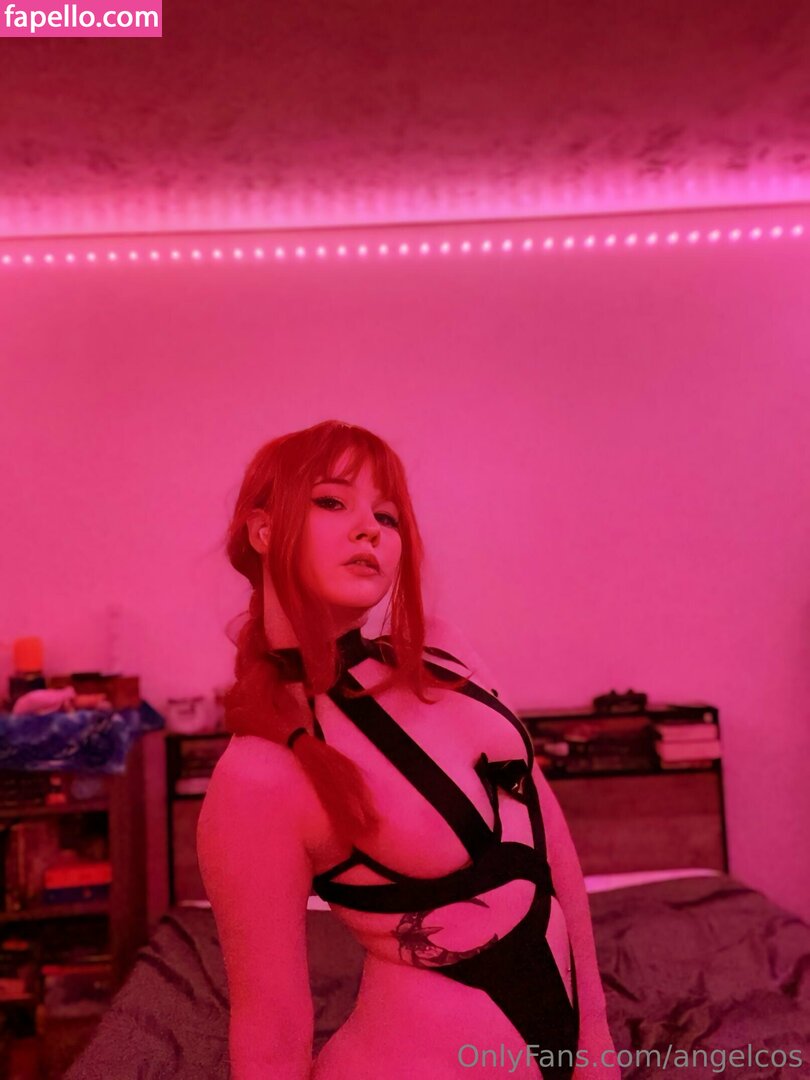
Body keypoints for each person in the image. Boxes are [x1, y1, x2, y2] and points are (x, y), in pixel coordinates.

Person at [197, 419, 618, 1079]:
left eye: (386, 516)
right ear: (264, 530)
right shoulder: (259, 774)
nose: (369, 529)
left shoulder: (446, 657)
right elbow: (271, 1030)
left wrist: (596, 1039)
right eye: (332, 501)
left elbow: (551, 845)